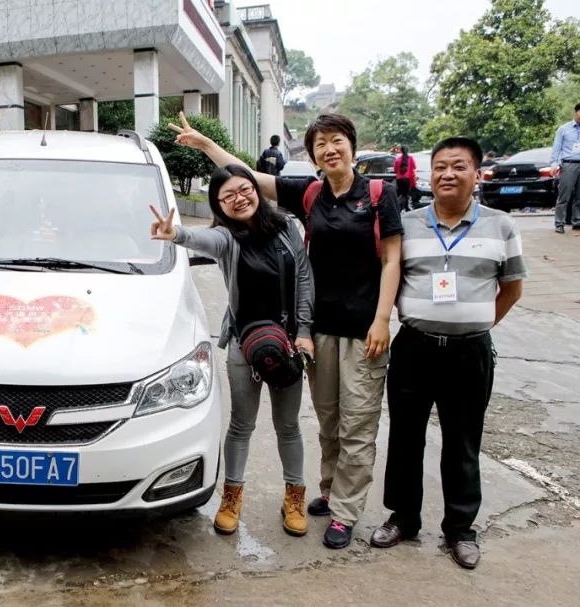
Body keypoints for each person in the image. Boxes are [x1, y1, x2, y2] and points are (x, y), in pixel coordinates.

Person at [169, 112, 403, 549]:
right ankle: (253, 496)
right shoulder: (259, 223)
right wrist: (177, 228)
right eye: (321, 144)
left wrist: (354, 322)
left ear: (351, 144)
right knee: (279, 424)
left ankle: (317, 504)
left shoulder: (307, 221)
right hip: (268, 341)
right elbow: (233, 195)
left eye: (337, 141)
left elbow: (365, 266)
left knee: (318, 426)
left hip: (319, 336)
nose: (329, 150)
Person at [370, 137, 525, 570]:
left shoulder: (500, 226)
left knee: (462, 441)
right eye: (439, 167)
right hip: (414, 348)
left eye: (458, 166)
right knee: (405, 437)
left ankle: (460, 529)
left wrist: (474, 324)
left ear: (477, 174)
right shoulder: (408, 223)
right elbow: (390, 274)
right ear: (429, 174)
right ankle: (403, 517)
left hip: (469, 354)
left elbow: (511, 289)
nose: (447, 174)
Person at [149, 165, 315, 537]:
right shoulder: (227, 237)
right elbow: (201, 241)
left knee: (288, 426)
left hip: (287, 345)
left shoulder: (288, 228)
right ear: (221, 206)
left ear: (255, 189)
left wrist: (304, 331)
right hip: (244, 345)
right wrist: (174, 234)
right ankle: (231, 497)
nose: (239, 199)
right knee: (241, 424)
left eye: (244, 190)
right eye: (228, 197)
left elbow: (304, 278)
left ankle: (295, 496)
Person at [551, 102, 580, 234]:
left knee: (579, 197)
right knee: (564, 195)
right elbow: (556, 149)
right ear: (576, 111)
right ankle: (559, 223)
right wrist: (554, 164)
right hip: (568, 164)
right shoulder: (564, 129)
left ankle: (577, 221)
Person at [393, 146, 416, 211]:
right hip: (407, 179)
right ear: (407, 150)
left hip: (399, 179)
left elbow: (395, 170)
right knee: (405, 195)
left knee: (402, 194)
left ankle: (405, 207)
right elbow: (414, 167)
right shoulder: (410, 158)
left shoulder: (397, 159)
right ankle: (400, 208)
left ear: (401, 151)